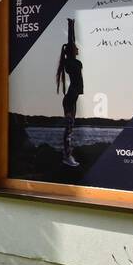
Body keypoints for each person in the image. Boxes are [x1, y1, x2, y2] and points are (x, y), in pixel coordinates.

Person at [56, 40, 84, 169]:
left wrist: (71, 26)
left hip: (73, 97)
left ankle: (67, 156)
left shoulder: (74, 62)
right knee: (68, 129)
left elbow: (71, 41)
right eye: (76, 48)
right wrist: (70, 26)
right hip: (70, 98)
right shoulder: (70, 62)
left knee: (70, 129)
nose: (78, 49)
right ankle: (67, 156)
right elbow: (70, 39)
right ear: (72, 51)